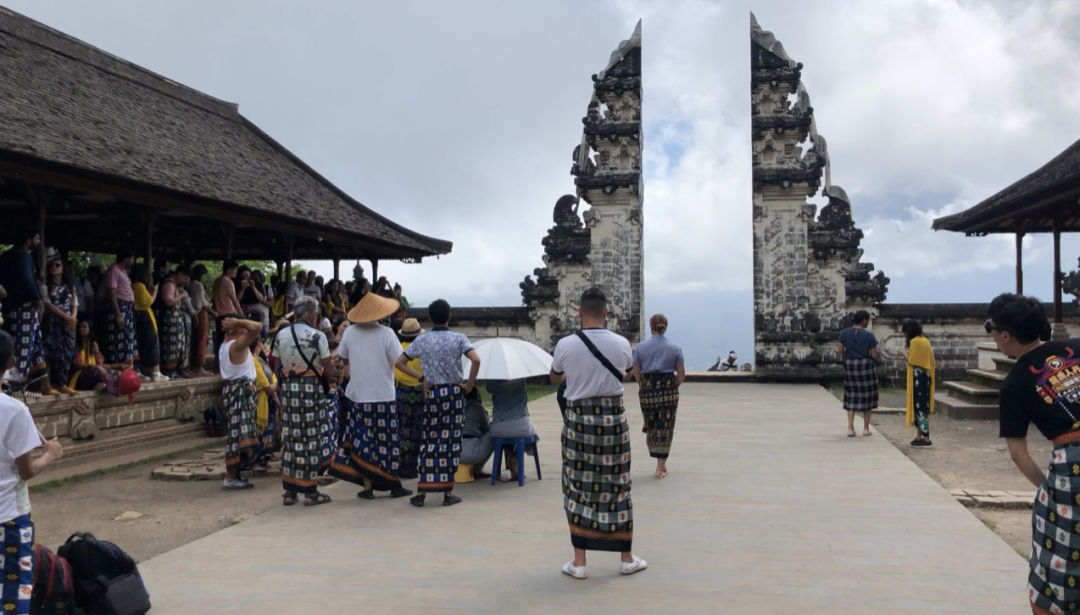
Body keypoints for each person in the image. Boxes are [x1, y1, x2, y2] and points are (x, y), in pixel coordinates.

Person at [987, 293, 1075, 615]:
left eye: (990, 329)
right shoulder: (1076, 348)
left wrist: (1047, 488)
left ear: (1005, 335)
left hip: (1073, 463)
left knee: (1059, 559)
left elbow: (1017, 452)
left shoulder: (1015, 384)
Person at [549, 287, 646, 580]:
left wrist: (575, 374)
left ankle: (579, 563)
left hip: (578, 422)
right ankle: (626, 558)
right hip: (614, 422)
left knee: (577, 486)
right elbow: (627, 374)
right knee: (618, 485)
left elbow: (554, 376)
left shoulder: (565, 344)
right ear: (606, 312)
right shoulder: (622, 344)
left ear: (579, 312)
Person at [330, 293, 420, 500]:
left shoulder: (350, 333)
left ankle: (368, 487)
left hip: (359, 396)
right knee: (387, 442)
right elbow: (399, 362)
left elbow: (342, 358)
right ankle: (393, 484)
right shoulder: (387, 333)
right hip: (384, 396)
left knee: (363, 442)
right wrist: (420, 377)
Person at [393, 299, 480, 508]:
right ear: (449, 317)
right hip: (453, 393)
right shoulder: (459, 338)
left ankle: (422, 492)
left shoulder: (422, 341)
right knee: (450, 442)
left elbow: (399, 362)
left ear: (430, 318)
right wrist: (468, 385)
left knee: (429, 441)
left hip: (431, 393)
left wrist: (421, 379)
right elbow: (476, 360)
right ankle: (448, 493)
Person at [0, 331, 62, 615]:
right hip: (9, 517)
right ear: (12, 362)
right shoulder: (15, 411)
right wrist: (49, 454)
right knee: (13, 592)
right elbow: (25, 471)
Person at [270, 296, 334, 506]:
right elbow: (328, 369)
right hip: (311, 391)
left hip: (289, 391)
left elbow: (277, 364)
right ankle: (310, 492)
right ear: (310, 314)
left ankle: (290, 492)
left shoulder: (281, 334)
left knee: (290, 438)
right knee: (311, 438)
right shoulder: (318, 336)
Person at [0, 229, 55, 394]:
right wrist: (37, 298)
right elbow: (26, 278)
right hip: (23, 308)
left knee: (36, 347)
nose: (39, 242)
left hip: (12, 307)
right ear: (28, 240)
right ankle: (15, 388)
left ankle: (45, 385)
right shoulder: (23, 256)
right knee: (22, 350)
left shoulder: (7, 256)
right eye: (37, 238)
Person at [631, 313, 685, 479]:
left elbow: (635, 371)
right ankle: (660, 467)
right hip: (668, 389)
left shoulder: (641, 347)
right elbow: (681, 374)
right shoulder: (675, 348)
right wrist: (672, 386)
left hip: (648, 389)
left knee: (652, 424)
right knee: (666, 426)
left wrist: (643, 385)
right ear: (665, 327)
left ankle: (661, 464)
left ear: (651, 326)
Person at [218, 315, 262, 491]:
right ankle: (230, 477)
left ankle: (234, 474)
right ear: (237, 329)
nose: (245, 329)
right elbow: (257, 327)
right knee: (236, 436)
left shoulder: (224, 346)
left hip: (234, 391)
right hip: (240, 392)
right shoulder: (236, 345)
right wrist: (238, 323)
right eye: (241, 327)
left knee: (236, 434)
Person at [485, 378, 538, 482]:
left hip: (499, 426)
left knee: (504, 437)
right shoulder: (520, 378)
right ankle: (516, 458)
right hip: (521, 424)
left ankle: (511, 455)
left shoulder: (494, 378)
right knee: (532, 433)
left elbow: (488, 388)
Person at [837, 310, 879, 438]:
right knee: (868, 395)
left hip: (850, 365)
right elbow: (874, 355)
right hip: (865, 366)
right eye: (867, 320)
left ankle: (850, 427)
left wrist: (848, 357)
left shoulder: (844, 333)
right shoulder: (869, 336)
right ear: (864, 320)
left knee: (851, 395)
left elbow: (839, 351)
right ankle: (866, 428)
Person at [896, 319, 935, 448]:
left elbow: (912, 361)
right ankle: (919, 436)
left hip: (918, 377)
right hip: (925, 375)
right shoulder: (925, 340)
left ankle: (926, 438)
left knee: (920, 407)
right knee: (920, 406)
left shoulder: (915, 341)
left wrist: (903, 355)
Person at [394, 318, 425, 479]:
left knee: (401, 428)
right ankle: (410, 465)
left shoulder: (398, 349)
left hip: (400, 392)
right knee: (416, 431)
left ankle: (399, 463)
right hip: (418, 392)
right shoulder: (420, 350)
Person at [42, 255, 78, 395]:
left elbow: (74, 304)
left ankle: (63, 383)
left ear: (63, 269)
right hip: (53, 323)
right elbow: (48, 304)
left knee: (66, 354)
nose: (54, 268)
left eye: (57, 265)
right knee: (50, 353)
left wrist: (72, 319)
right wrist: (66, 317)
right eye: (51, 266)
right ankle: (48, 385)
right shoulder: (47, 286)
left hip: (68, 324)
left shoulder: (70, 287)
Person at [131, 263, 167, 382]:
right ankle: (156, 372)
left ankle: (151, 370)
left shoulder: (134, 285)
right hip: (144, 316)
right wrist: (155, 290)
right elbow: (148, 301)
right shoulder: (139, 285)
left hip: (140, 316)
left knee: (147, 343)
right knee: (153, 343)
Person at [102, 248, 137, 367]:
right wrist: (117, 313)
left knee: (128, 340)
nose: (133, 261)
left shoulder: (124, 271)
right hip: (119, 307)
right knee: (118, 341)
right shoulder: (114, 270)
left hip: (127, 308)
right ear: (126, 258)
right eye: (132, 258)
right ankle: (117, 369)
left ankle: (127, 368)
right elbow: (112, 292)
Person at [69, 319, 120, 392]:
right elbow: (77, 365)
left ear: (90, 329)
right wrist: (95, 366)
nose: (81, 329)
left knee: (113, 372)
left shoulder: (93, 344)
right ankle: (109, 386)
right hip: (80, 376)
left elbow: (100, 365)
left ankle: (108, 387)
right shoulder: (76, 344)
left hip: (94, 374)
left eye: (84, 327)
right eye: (80, 327)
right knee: (97, 372)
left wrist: (118, 366)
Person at [158, 268, 190, 379]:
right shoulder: (169, 285)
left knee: (176, 346)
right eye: (185, 277)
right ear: (179, 274)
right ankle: (168, 370)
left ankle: (173, 369)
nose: (186, 281)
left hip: (176, 320)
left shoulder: (173, 285)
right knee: (170, 346)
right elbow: (169, 301)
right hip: (170, 320)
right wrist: (182, 296)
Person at [212, 260, 244, 365]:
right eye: (235, 270)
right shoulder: (228, 282)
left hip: (218, 314)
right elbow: (234, 299)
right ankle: (227, 363)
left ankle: (218, 362)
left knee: (220, 339)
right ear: (229, 270)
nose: (235, 272)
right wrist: (241, 314)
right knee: (229, 339)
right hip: (228, 313)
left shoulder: (217, 281)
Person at [459, 387, 494, 474]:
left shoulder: (456, 407)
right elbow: (486, 428)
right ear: (477, 396)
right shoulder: (478, 407)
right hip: (471, 454)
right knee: (494, 432)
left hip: (454, 454)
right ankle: (477, 469)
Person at [188, 265, 214, 377]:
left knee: (194, 340)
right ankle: (199, 366)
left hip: (192, 313)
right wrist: (210, 304)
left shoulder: (190, 284)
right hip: (200, 314)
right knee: (201, 340)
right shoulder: (198, 285)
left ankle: (193, 364)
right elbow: (201, 302)